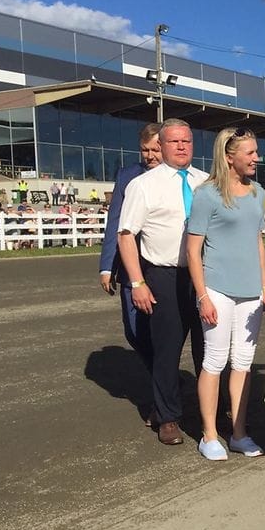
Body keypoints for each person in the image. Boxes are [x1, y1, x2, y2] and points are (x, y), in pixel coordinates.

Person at [118, 118, 208, 446]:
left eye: (187, 141)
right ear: (162, 145)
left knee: (207, 349)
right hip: (163, 275)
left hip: (202, 275)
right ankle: (168, 416)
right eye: (174, 142)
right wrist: (138, 282)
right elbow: (126, 235)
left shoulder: (207, 182)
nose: (182, 147)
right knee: (167, 351)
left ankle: (213, 411)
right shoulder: (144, 185)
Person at [186, 127, 265, 461]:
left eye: (256, 151)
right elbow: (193, 250)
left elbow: (256, 241)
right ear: (229, 156)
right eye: (250, 153)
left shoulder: (257, 193)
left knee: (242, 363)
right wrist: (203, 296)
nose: (256, 158)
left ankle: (238, 433)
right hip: (217, 289)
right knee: (215, 360)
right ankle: (209, 435)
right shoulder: (207, 194)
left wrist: (263, 287)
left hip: (250, 291)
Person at [99, 122, 162, 392]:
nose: (150, 155)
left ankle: (164, 389)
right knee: (134, 332)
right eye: (145, 150)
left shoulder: (180, 177)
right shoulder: (127, 175)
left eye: (155, 149)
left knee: (162, 333)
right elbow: (115, 222)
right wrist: (106, 267)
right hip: (130, 266)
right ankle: (163, 378)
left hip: (165, 266)